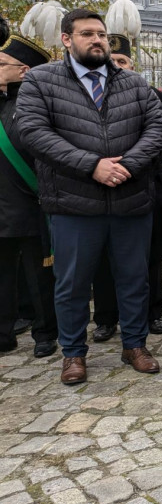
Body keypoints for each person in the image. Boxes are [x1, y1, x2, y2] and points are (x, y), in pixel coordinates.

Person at [18, 8, 162, 385]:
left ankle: (135, 345)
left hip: (131, 199)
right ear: (67, 39)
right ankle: (73, 354)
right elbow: (34, 133)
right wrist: (92, 166)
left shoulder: (134, 83)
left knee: (134, 279)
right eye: (87, 34)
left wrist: (127, 166)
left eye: (101, 33)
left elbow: (158, 128)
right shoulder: (41, 80)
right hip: (73, 202)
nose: (97, 40)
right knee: (71, 284)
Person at [91, 0, 162, 341]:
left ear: (132, 63)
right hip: (100, 185)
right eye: (116, 60)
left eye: (125, 61)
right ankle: (107, 318)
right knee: (104, 258)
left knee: (148, 256)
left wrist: (132, 165)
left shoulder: (151, 93)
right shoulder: (91, 94)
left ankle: (152, 311)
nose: (120, 67)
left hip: (144, 184)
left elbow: (161, 137)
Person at [0, 27, 58, 357]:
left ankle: (45, 332)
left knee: (40, 276)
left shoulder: (33, 106)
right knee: (3, 277)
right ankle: (3, 333)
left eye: (0, 63)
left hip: (29, 205)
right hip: (2, 206)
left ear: (23, 70)